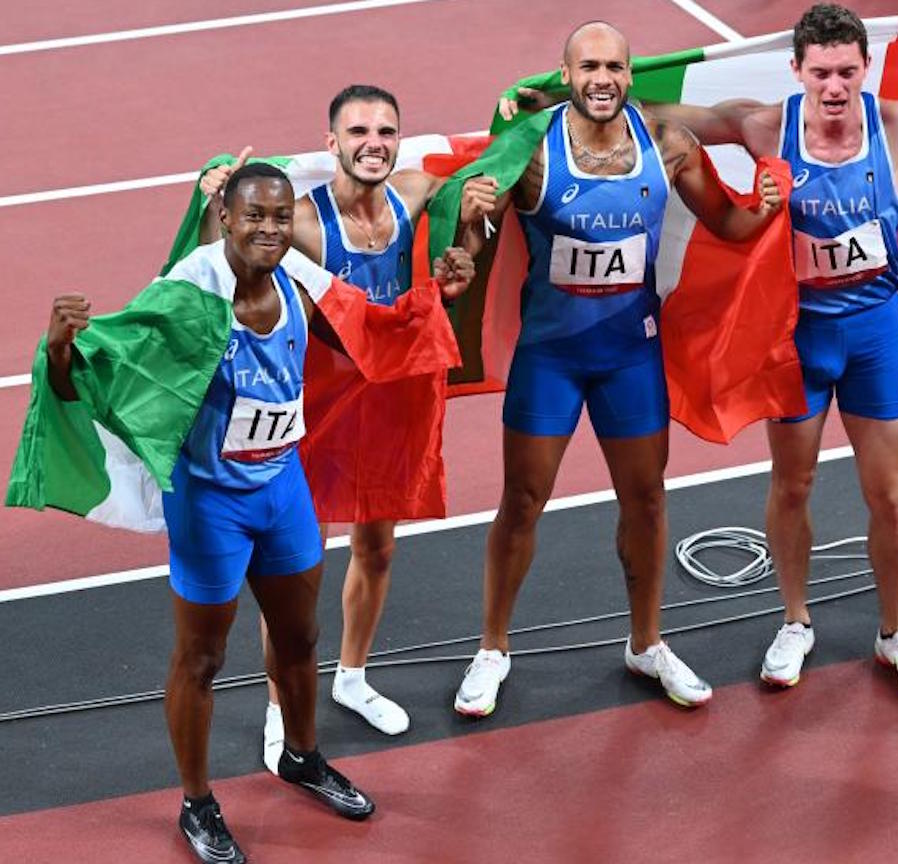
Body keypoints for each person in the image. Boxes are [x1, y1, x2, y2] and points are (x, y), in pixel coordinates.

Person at [502, 1, 898, 694]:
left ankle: (894, 633)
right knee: (792, 484)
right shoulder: (764, 126)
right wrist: (553, 97)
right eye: (820, 73)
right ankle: (795, 622)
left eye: (846, 72)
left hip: (874, 338)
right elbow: (642, 114)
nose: (834, 87)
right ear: (797, 70)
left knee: (888, 492)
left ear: (865, 68)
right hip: (798, 340)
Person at [47, 164, 471, 864]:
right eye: (255, 217)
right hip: (210, 503)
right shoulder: (187, 295)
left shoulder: (301, 282)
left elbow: (371, 331)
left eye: (280, 216)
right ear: (226, 216)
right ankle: (197, 802)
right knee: (202, 657)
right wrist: (61, 348)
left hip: (282, 491)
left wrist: (437, 296)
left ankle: (301, 756)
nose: (270, 230)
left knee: (300, 637)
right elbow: (98, 377)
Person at [452, 20, 783, 716]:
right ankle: (492, 649)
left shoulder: (667, 144)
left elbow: (728, 225)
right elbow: (475, 237)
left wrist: (764, 205)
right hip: (550, 359)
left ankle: (647, 643)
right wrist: (468, 225)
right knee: (521, 502)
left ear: (630, 76)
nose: (602, 79)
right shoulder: (531, 149)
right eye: (589, 67)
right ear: (566, 75)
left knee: (647, 501)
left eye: (614, 67)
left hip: (631, 355)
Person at [199, 85, 490, 770]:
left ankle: (352, 677)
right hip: (317, 405)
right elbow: (224, 271)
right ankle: (280, 707)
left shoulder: (415, 193)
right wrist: (215, 204)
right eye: (358, 132)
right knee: (294, 568)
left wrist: (473, 233)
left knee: (378, 548)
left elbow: (472, 210)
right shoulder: (303, 221)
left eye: (386, 131)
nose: (373, 144)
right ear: (332, 143)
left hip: (390, 398)